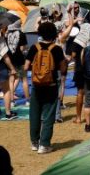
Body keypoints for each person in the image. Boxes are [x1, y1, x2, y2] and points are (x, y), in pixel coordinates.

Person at [24, 22, 67, 154]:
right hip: (51, 85)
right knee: (48, 115)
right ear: (54, 34)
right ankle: (44, 144)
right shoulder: (57, 49)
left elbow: (26, 66)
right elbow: (63, 68)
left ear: (41, 33)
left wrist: (37, 71)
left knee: (34, 114)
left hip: (37, 85)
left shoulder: (34, 47)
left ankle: (34, 142)